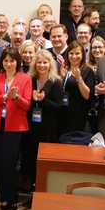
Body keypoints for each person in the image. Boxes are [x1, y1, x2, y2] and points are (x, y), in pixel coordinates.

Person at [0, 48, 32, 210]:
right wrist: (4, 97)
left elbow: (27, 104)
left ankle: (12, 198)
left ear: (17, 62)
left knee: (9, 162)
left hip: (14, 125)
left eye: (12, 61)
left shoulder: (25, 79)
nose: (9, 64)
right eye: (6, 61)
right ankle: (3, 197)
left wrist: (16, 97)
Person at [21, 50, 62, 198]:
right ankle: (28, 178)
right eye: (39, 62)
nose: (42, 65)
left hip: (47, 126)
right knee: (29, 152)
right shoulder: (30, 80)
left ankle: (40, 187)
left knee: (42, 155)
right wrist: (33, 100)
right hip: (31, 124)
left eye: (45, 62)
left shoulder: (55, 82)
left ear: (50, 64)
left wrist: (42, 100)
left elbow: (58, 107)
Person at [58, 41, 94, 136]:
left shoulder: (87, 71)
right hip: (63, 112)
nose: (74, 57)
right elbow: (59, 91)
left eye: (77, 53)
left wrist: (79, 79)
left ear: (82, 55)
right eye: (71, 53)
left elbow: (87, 96)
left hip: (78, 114)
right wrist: (61, 78)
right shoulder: (64, 69)